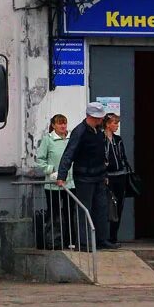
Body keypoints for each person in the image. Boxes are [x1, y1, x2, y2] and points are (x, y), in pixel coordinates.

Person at [55, 102, 116, 250]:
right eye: (99, 118)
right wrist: (61, 175)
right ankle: (83, 243)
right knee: (84, 210)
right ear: (91, 116)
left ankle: (102, 240)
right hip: (84, 178)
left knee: (101, 209)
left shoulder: (98, 131)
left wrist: (105, 174)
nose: (101, 120)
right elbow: (69, 154)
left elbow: (101, 155)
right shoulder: (80, 131)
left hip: (99, 177)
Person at [35, 114, 73, 243]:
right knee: (54, 213)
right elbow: (40, 159)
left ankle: (70, 240)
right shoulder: (48, 139)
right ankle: (54, 241)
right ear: (53, 125)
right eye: (60, 123)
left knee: (70, 213)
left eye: (65, 123)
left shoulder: (71, 138)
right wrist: (50, 170)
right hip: (53, 184)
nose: (63, 126)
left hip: (70, 183)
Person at [103, 113, 131, 244]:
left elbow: (123, 156)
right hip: (107, 177)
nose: (117, 126)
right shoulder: (101, 139)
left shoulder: (118, 139)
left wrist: (125, 168)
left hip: (120, 175)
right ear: (108, 124)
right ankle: (104, 236)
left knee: (118, 206)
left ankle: (113, 237)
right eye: (115, 123)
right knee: (107, 206)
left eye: (117, 123)